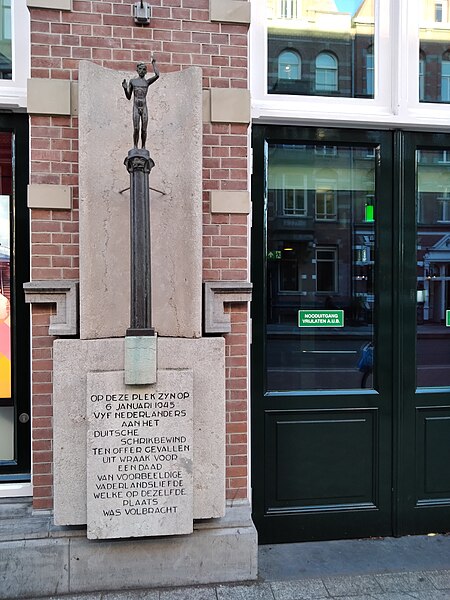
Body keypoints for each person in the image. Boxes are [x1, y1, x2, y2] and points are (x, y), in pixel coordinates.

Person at [122, 58, 160, 149]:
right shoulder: (133, 81)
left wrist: (154, 64)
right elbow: (128, 97)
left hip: (144, 107)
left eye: (144, 69)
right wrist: (125, 88)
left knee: (144, 129)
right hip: (136, 106)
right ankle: (135, 146)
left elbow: (157, 75)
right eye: (140, 69)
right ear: (137, 70)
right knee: (136, 128)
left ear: (146, 71)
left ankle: (143, 147)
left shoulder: (147, 82)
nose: (142, 71)